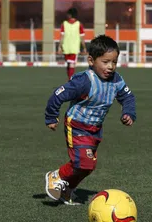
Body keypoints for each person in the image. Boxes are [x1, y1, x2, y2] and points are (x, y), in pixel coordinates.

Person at [44, 35, 136, 205]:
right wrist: (51, 116)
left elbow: (128, 97)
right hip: (77, 126)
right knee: (82, 162)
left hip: (95, 129)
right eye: (106, 62)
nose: (110, 67)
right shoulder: (84, 81)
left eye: (114, 62)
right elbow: (58, 94)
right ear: (91, 60)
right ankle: (56, 176)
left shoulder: (117, 80)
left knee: (89, 166)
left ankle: (67, 190)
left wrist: (129, 113)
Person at [58, 7, 87, 80]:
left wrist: (59, 47)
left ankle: (69, 79)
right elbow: (82, 38)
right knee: (71, 64)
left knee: (69, 64)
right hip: (74, 48)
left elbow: (62, 36)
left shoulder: (64, 24)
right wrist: (84, 47)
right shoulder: (79, 24)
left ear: (70, 15)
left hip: (66, 48)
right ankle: (70, 80)